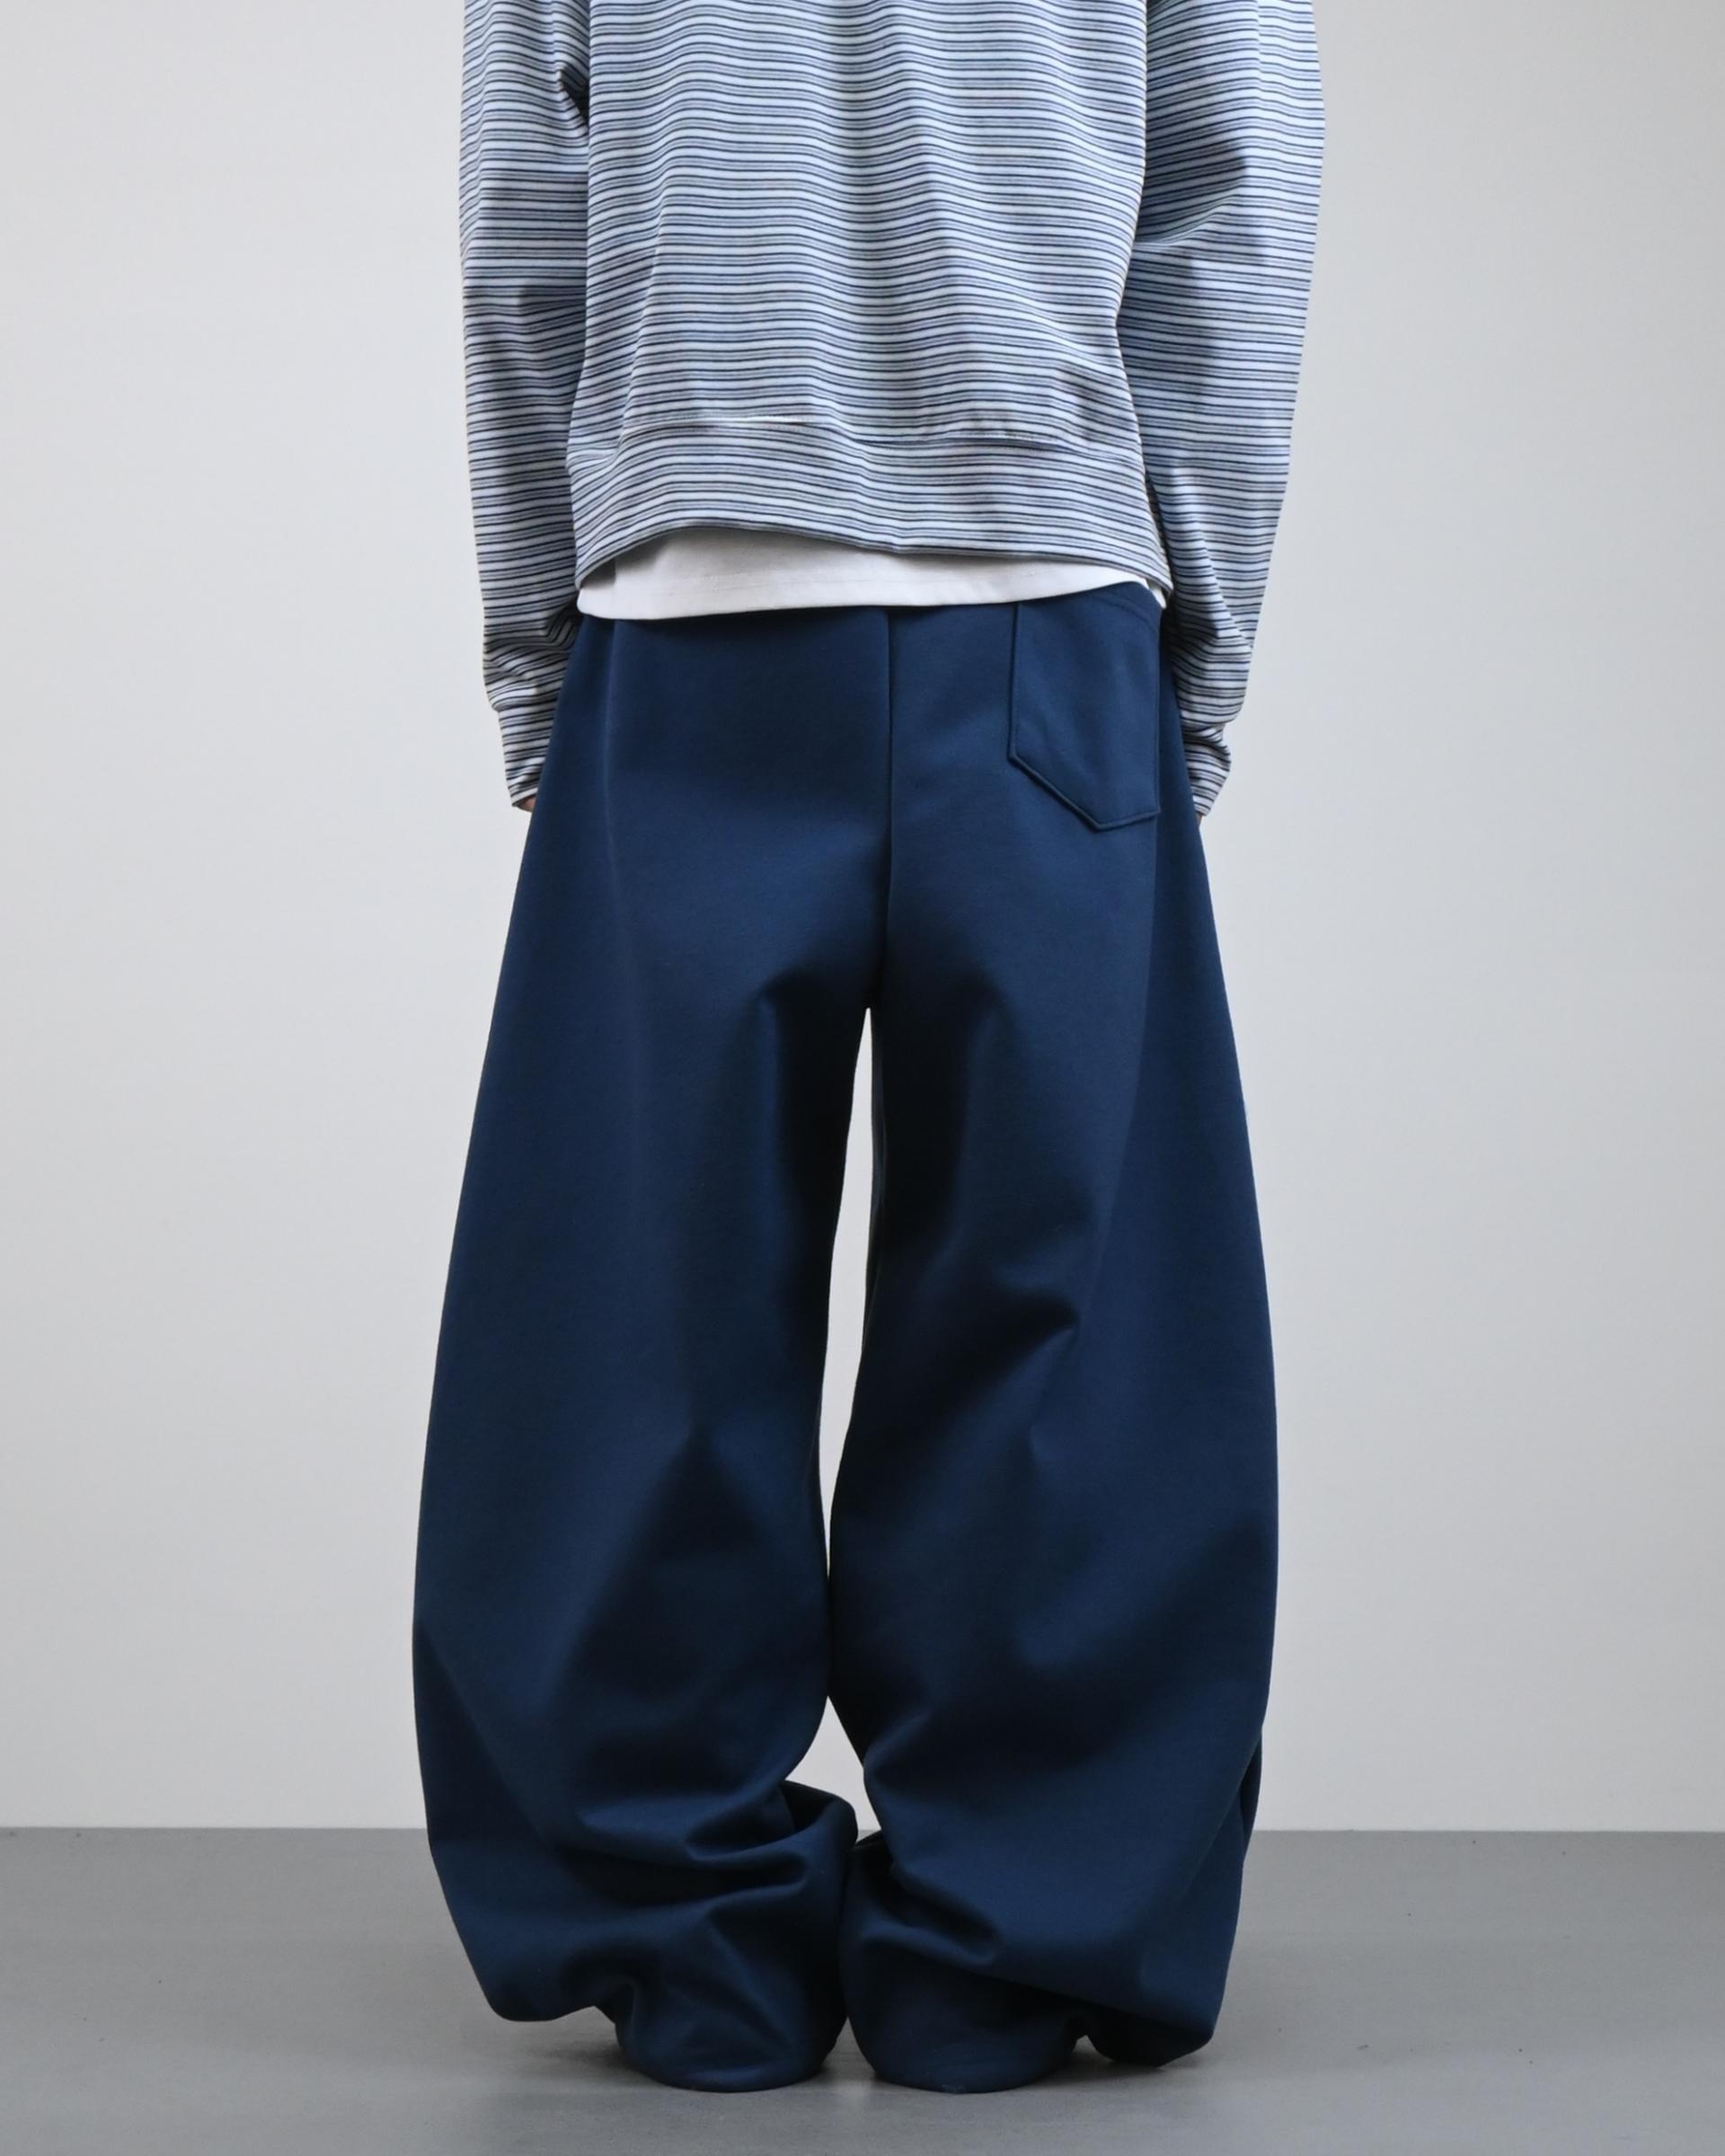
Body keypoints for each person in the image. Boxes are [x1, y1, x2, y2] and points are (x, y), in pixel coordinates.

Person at [413, 0, 1322, 2096]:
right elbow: (1235, 199)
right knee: (1067, 1325)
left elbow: (524, 211)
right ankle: (1017, 1941)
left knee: (634, 1321)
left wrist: (541, 649)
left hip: (689, 607)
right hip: (1049, 615)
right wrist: (1190, 649)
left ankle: (684, 1942)